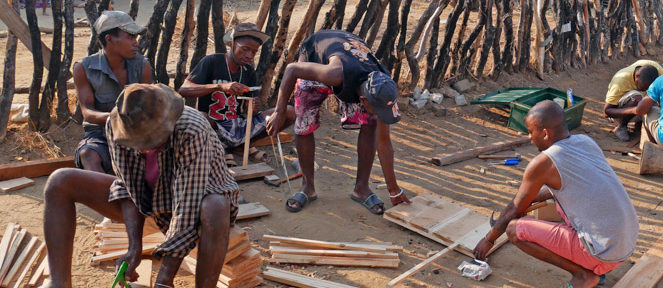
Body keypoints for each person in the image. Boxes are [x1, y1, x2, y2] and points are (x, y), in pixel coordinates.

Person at [42, 84, 239, 288]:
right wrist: (134, 247)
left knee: (215, 206)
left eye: (150, 140)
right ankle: (58, 283)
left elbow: (187, 205)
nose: (143, 150)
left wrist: (164, 279)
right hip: (149, 201)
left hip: (196, 201)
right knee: (60, 181)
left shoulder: (191, 129)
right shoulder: (118, 124)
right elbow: (128, 188)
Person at [472, 101, 638, 288]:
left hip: (604, 253)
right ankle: (592, 267)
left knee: (514, 230)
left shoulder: (544, 162)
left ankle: (583, 275)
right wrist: (528, 199)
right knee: (559, 200)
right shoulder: (585, 142)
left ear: (545, 133)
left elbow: (513, 210)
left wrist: (488, 240)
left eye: (530, 131)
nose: (529, 137)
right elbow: (562, 187)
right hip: (625, 243)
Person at [265, 29, 409, 214]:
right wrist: (279, 110)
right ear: (364, 100)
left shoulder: (382, 85)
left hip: (349, 60)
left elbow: (384, 142)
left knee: (371, 122)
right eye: (379, 109)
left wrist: (394, 190)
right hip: (315, 57)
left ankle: (361, 189)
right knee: (305, 122)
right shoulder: (333, 73)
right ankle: (307, 188)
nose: (383, 115)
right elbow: (292, 69)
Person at [179, 23, 296, 155]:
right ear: (232, 43)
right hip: (213, 127)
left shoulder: (248, 71)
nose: (249, 55)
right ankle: (217, 147)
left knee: (289, 112)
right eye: (245, 49)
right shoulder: (211, 62)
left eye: (254, 51)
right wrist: (219, 86)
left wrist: (253, 106)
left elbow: (250, 111)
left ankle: (243, 145)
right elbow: (184, 90)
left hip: (239, 126)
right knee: (200, 116)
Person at [73, 10, 153, 174]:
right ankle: (104, 195)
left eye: (136, 37)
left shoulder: (142, 65)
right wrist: (115, 118)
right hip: (100, 134)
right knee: (88, 154)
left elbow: (150, 104)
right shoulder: (84, 68)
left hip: (136, 131)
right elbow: (87, 111)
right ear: (109, 39)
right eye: (130, 37)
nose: (136, 42)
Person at [602, 60, 663, 141]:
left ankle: (640, 125)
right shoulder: (620, 80)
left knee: (655, 98)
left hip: (640, 108)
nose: (646, 90)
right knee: (637, 97)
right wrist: (634, 110)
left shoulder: (658, 72)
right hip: (621, 111)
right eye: (643, 88)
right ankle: (622, 126)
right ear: (637, 76)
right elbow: (606, 112)